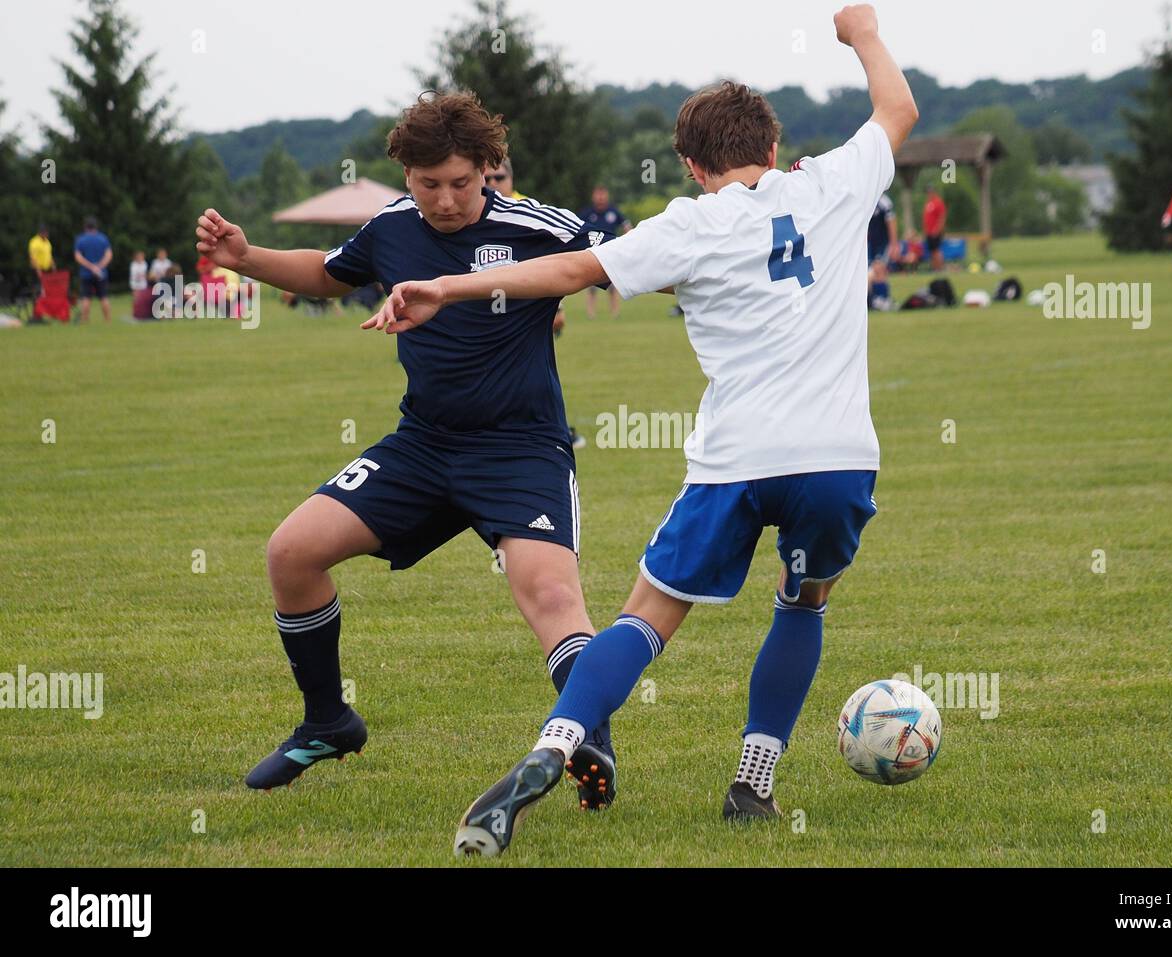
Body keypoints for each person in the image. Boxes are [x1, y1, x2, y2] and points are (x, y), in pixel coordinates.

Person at [363, 3, 918, 857]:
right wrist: (863, 34)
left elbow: (567, 269)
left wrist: (449, 288)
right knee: (802, 598)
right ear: (771, 149)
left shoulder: (687, 224)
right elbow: (896, 111)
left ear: (694, 166)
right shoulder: (834, 182)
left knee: (647, 617)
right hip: (838, 460)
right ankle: (753, 783)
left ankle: (555, 743)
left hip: (735, 462)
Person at [195, 91, 618, 809]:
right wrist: (246, 257)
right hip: (423, 446)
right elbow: (329, 274)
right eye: (429, 185)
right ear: (407, 176)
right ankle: (329, 720)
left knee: (551, 593)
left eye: (461, 181)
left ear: (489, 168)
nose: (447, 199)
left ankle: (589, 738)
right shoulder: (392, 227)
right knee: (291, 552)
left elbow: (635, 260)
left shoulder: (539, 225)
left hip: (521, 450)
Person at [486, 157, 587, 450]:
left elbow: (553, 264)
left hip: (526, 313)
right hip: (486, 314)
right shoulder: (472, 214)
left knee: (532, 376)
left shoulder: (528, 212)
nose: (493, 184)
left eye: (499, 178)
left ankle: (557, 431)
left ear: (512, 179)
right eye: (488, 178)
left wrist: (559, 308)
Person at [576, 186, 630, 319]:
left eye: (602, 194)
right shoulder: (587, 213)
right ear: (593, 196)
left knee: (613, 285)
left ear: (606, 196)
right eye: (598, 195)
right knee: (591, 285)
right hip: (593, 254)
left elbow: (626, 225)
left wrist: (628, 238)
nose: (600, 198)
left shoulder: (613, 212)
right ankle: (591, 313)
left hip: (611, 253)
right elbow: (576, 227)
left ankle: (615, 313)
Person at [73, 217, 113, 323]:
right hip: (101, 273)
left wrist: (90, 266)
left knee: (86, 298)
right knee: (104, 297)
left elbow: (78, 257)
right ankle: (108, 321)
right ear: (96, 226)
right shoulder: (103, 238)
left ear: (85, 227)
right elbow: (109, 255)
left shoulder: (80, 239)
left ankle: (84, 320)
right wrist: (99, 267)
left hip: (86, 273)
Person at [922, 185, 946, 271]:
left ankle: (940, 268)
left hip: (935, 232)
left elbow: (942, 217)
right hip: (928, 232)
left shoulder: (938, 202)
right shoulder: (928, 203)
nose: (928, 194)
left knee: (936, 250)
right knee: (932, 251)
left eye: (930, 192)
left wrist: (937, 229)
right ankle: (935, 268)